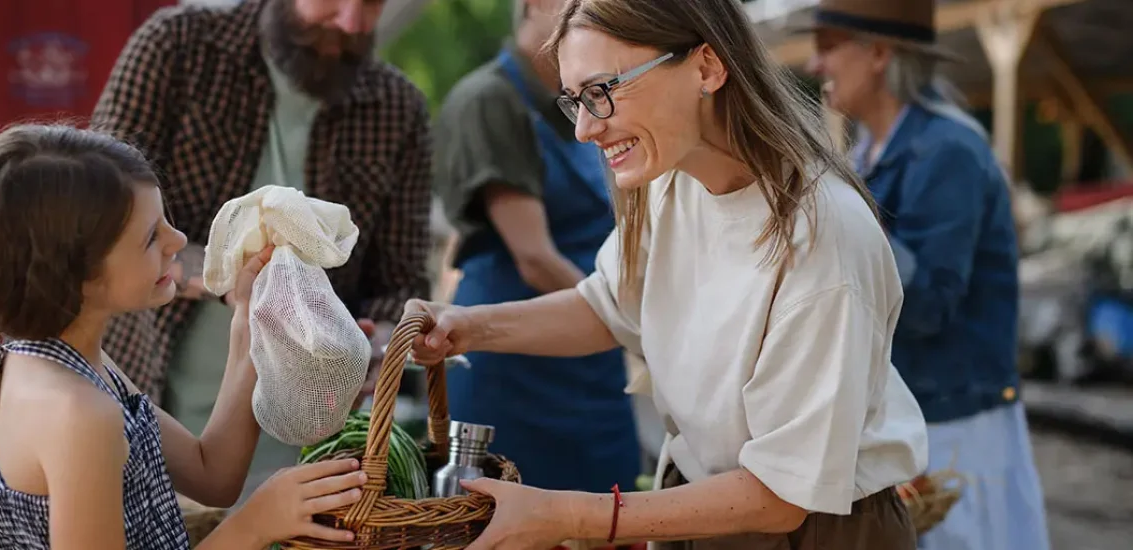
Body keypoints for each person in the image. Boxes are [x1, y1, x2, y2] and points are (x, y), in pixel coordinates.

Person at [403, 0, 932, 547]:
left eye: (602, 90)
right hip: (710, 509)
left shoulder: (823, 241)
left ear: (706, 67)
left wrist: (568, 517)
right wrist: (466, 325)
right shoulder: (670, 178)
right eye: (574, 100)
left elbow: (782, 496)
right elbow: (607, 306)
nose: (584, 128)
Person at [0, 124, 368, 550]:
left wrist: (253, 316)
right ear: (77, 274)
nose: (178, 240)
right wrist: (254, 524)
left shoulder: (72, 367)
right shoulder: (77, 413)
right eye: (151, 236)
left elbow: (212, 474)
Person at [91, 0, 434, 485]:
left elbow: (401, 281)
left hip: (309, 443)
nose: (353, 23)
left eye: (373, 4)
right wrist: (231, 278)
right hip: (153, 405)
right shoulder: (178, 48)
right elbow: (101, 214)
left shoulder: (399, 108)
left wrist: (372, 348)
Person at [803, 1, 1051, 549]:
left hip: (954, 429)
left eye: (827, 45)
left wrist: (830, 216)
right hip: (918, 415)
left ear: (880, 53)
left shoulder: (948, 151)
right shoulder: (871, 151)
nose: (815, 64)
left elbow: (927, 304)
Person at [432, 0, 640, 495]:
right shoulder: (490, 100)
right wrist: (636, 323)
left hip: (588, 358)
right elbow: (535, 258)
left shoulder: (574, 104)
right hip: (513, 363)